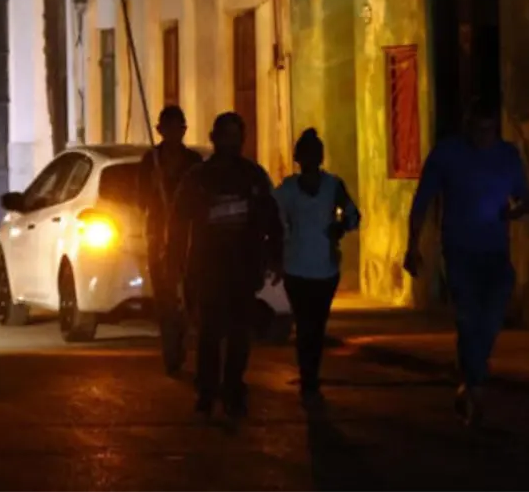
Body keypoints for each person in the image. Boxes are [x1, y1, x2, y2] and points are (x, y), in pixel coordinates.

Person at [405, 100, 529, 426]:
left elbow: (523, 196)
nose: (482, 137)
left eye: (488, 131)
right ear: (467, 127)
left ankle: (470, 376)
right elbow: (422, 200)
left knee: (490, 319)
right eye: (477, 130)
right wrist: (412, 246)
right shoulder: (447, 154)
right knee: (467, 318)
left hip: (495, 252)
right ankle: (474, 386)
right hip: (460, 251)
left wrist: (518, 211)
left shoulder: (507, 156)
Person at [165, 112, 282, 420]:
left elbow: (271, 218)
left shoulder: (253, 176)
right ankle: (207, 391)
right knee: (210, 332)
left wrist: (275, 256)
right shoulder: (198, 178)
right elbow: (178, 224)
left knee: (239, 334)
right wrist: (174, 263)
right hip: (208, 269)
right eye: (225, 135)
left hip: (244, 269)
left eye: (236, 136)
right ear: (214, 138)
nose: (231, 142)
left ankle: (233, 389)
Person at [273, 128, 361, 409]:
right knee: (305, 324)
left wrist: (340, 227)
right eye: (306, 154)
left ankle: (310, 375)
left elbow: (353, 215)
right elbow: (272, 217)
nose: (310, 159)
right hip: (296, 267)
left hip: (325, 268)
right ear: (299, 158)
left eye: (315, 154)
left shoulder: (333, 186)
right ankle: (308, 377)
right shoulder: (287, 190)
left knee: (316, 325)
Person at [138, 105, 204, 374]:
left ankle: (186, 333)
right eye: (169, 129)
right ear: (160, 130)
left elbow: (202, 198)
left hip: (188, 237)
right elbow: (140, 200)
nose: (174, 134)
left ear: (184, 130)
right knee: (164, 296)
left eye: (179, 129)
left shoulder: (194, 162)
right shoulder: (150, 161)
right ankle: (171, 349)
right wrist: (155, 185)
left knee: (190, 293)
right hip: (159, 236)